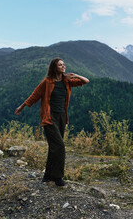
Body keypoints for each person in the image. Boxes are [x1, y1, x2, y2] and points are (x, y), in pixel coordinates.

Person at [15, 58, 89, 186]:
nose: (63, 66)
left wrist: (75, 75)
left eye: (64, 64)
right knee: (59, 146)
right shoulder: (47, 82)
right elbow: (35, 95)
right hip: (49, 117)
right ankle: (57, 177)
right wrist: (22, 107)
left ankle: (47, 176)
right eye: (60, 65)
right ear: (54, 68)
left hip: (61, 117)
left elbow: (86, 81)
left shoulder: (67, 81)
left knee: (54, 147)